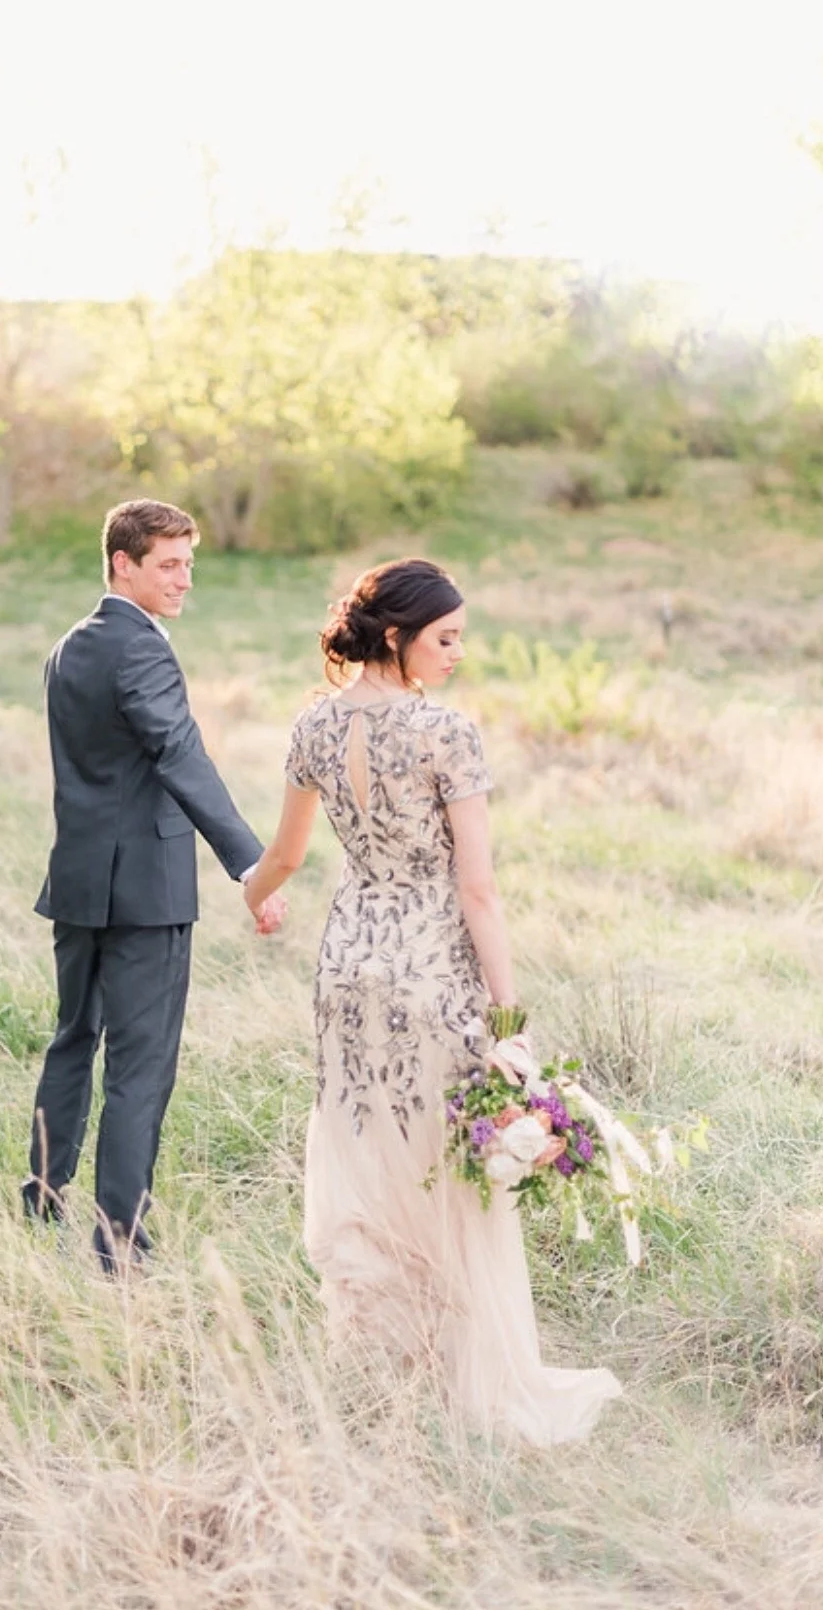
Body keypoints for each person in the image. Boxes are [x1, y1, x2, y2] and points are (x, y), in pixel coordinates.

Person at [244, 558, 620, 1444]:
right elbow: (477, 890)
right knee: (444, 1165)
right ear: (395, 635)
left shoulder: (313, 728)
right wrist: (509, 1021)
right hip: (428, 969)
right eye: (445, 638)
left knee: (364, 1146)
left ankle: (382, 1365)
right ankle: (462, 1372)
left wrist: (252, 897)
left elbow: (287, 858)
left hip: (346, 967)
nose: (457, 654)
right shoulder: (447, 734)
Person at [25, 498, 285, 1271]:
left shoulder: (68, 648)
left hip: (79, 881)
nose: (184, 580)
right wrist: (252, 864)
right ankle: (120, 1245)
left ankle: (43, 1199)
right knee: (140, 1066)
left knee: (74, 1040)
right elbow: (180, 756)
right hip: (145, 891)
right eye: (169, 565)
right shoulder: (142, 650)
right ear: (122, 564)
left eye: (189, 564)